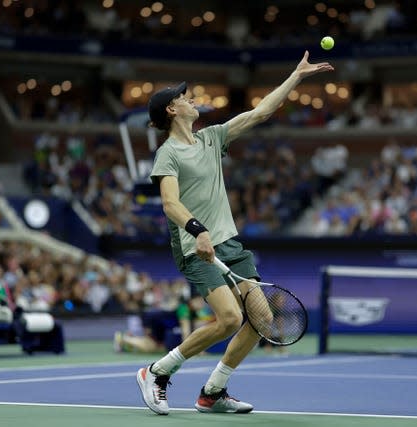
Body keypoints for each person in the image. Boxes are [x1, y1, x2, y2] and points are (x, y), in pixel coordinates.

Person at [136, 51, 334, 415]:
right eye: (183, 98)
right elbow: (169, 204)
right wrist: (199, 231)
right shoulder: (168, 155)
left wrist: (296, 77)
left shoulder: (212, 138)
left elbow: (261, 113)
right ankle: (156, 372)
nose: (190, 99)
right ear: (171, 111)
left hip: (229, 242)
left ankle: (213, 392)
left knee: (261, 320)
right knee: (229, 318)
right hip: (195, 246)